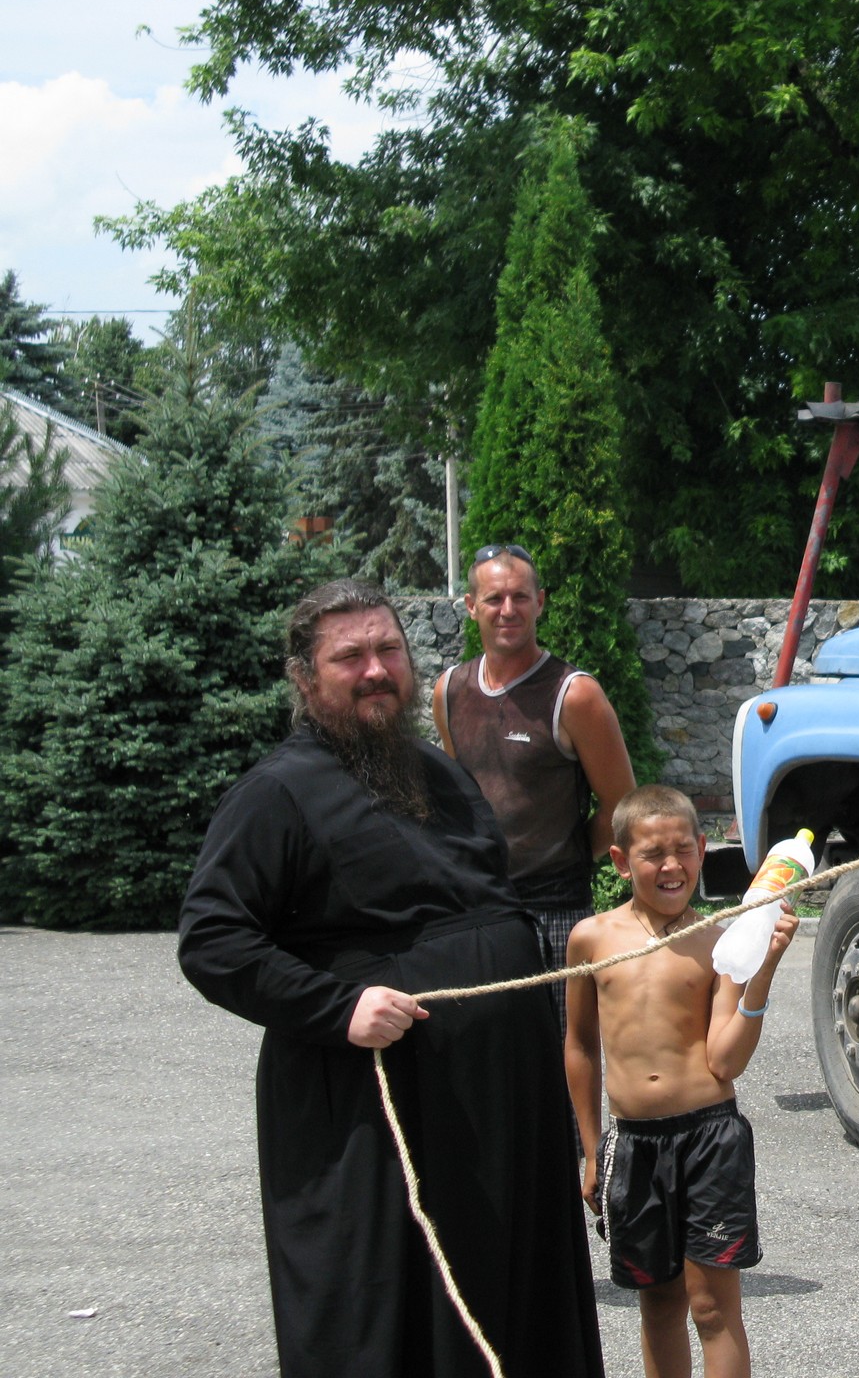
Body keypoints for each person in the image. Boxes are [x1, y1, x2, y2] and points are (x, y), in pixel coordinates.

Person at [179, 578, 604, 1378]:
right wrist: (337, 1006)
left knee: (511, 1302)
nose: (376, 670)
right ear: (306, 678)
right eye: (350, 657)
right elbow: (212, 940)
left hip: (496, 1107)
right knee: (395, 1313)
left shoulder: (439, 776)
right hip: (380, 1110)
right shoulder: (277, 794)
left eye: (388, 651)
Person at [565, 784, 799, 1378]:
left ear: (701, 849)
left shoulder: (721, 941)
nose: (670, 866)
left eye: (682, 851)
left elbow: (725, 1061)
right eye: (652, 854)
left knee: (711, 1308)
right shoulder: (591, 940)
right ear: (620, 862)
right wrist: (592, 1151)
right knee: (659, 1303)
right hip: (634, 1145)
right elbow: (580, 1046)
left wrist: (762, 972)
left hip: (709, 1141)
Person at [432, 542, 636, 1033]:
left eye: (520, 597)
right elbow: (457, 802)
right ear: (471, 607)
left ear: (540, 602)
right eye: (494, 598)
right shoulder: (449, 692)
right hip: (480, 911)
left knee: (563, 1061)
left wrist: (560, 857)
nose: (508, 610)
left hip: (556, 913)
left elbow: (620, 804)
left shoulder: (575, 694)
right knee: (489, 1060)